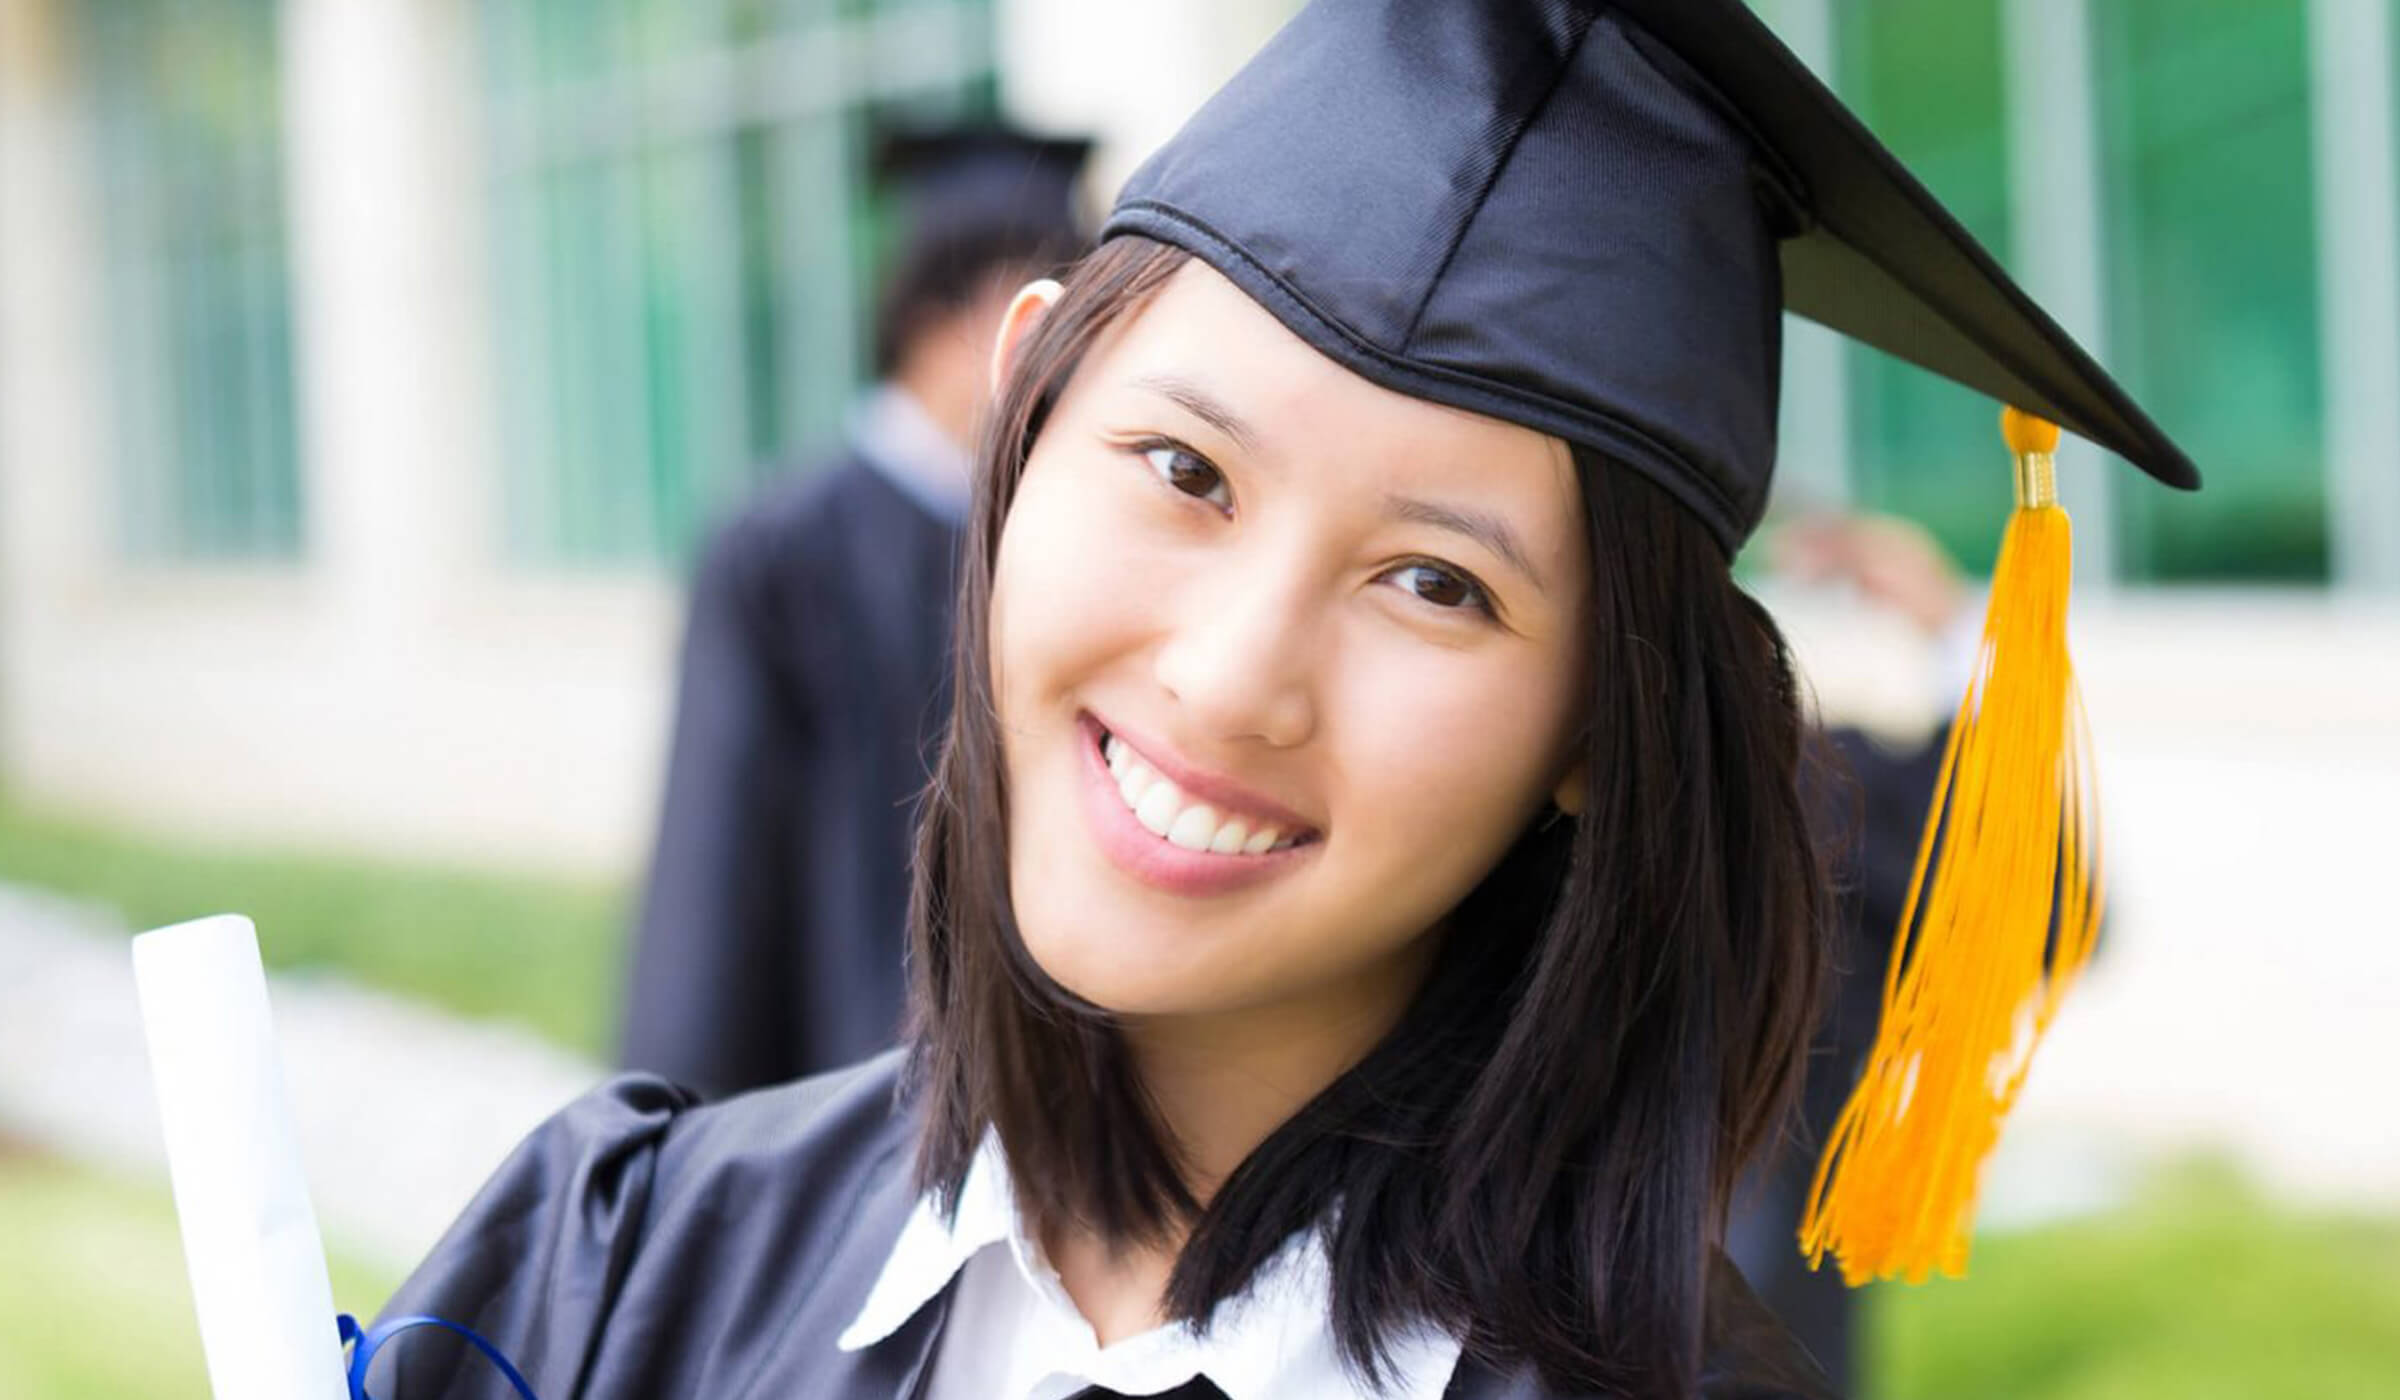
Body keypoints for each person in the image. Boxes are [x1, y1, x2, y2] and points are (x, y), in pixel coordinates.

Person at [374, 2, 2197, 1396]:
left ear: (1594, 731)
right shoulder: (611, 1277)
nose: (1234, 677)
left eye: (1437, 586)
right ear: (1016, 426)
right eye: (1183, 469)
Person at [619, 126, 1090, 1097]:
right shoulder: (779, 552)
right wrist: (677, 1142)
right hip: (837, 1094)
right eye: (1041, 301)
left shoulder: (1052, 539)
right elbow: (714, 878)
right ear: (947, 315)